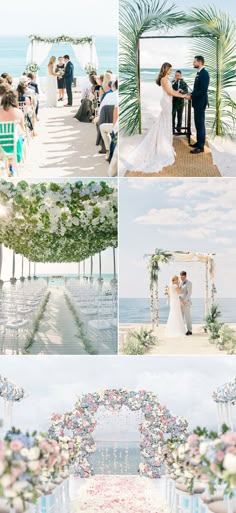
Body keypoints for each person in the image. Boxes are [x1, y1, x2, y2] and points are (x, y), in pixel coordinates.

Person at [119, 62, 188, 175]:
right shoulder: (164, 80)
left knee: (166, 121)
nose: (171, 71)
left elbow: (171, 92)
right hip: (166, 102)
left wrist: (178, 91)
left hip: (168, 101)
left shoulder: (167, 78)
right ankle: (164, 143)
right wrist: (182, 95)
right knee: (166, 120)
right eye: (170, 69)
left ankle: (166, 141)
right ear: (165, 69)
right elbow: (169, 92)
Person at [186, 56, 210, 154]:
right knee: (197, 123)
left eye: (194, 61)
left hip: (200, 102)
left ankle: (201, 147)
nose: (193, 63)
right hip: (197, 102)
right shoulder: (199, 72)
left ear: (199, 62)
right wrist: (191, 94)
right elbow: (197, 89)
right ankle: (199, 142)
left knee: (200, 124)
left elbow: (203, 90)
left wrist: (191, 96)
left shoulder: (204, 73)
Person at [0, 90, 26, 176]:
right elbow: (23, 129)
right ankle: (12, 164)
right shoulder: (18, 112)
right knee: (21, 137)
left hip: (1, 148)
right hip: (13, 146)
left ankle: (8, 165)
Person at [179, 271, 193, 335]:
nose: (181, 278)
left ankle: (189, 330)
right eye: (181, 277)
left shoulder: (189, 283)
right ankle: (182, 329)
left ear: (185, 276)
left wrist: (185, 300)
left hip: (186, 303)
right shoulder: (180, 283)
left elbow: (189, 293)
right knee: (181, 317)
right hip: (180, 303)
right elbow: (179, 292)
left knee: (188, 317)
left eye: (183, 277)